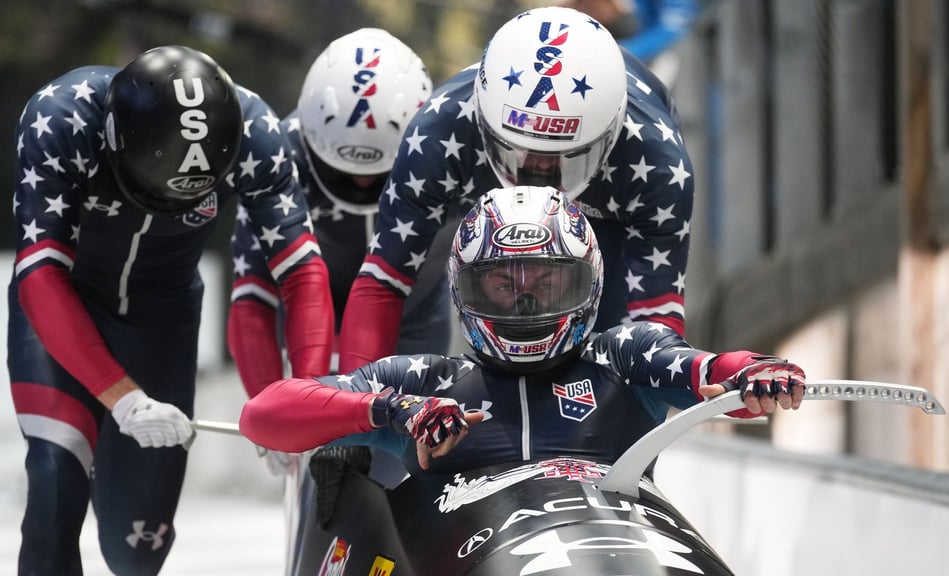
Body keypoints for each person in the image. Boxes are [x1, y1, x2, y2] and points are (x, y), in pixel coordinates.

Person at [7, 45, 333, 575]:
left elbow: (302, 271)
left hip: (162, 316)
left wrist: (307, 401)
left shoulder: (256, 134)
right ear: (114, 140)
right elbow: (40, 273)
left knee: (137, 549)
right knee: (53, 482)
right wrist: (124, 399)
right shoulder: (60, 117)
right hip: (64, 299)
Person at [240, 186, 805, 477]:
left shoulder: (626, 355)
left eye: (549, 283)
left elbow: (707, 373)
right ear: (466, 290)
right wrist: (392, 411)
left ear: (589, 283)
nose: (528, 301)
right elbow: (262, 416)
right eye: (503, 286)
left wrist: (752, 375)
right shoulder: (424, 385)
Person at [336, 6, 695, 374]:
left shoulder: (657, 163)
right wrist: (357, 401)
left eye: (562, 157)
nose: (538, 168)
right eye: (520, 151)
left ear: (609, 134)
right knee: (459, 295)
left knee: (604, 341)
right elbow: (383, 281)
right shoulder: (438, 133)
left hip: (607, 215)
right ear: (484, 121)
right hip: (480, 190)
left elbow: (655, 325)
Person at [227, 29, 441, 479]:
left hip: (414, 311)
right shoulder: (276, 152)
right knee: (321, 458)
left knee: (404, 462)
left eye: (376, 175)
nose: (362, 185)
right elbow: (252, 297)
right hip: (311, 309)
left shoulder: (441, 147)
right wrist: (274, 402)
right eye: (342, 174)